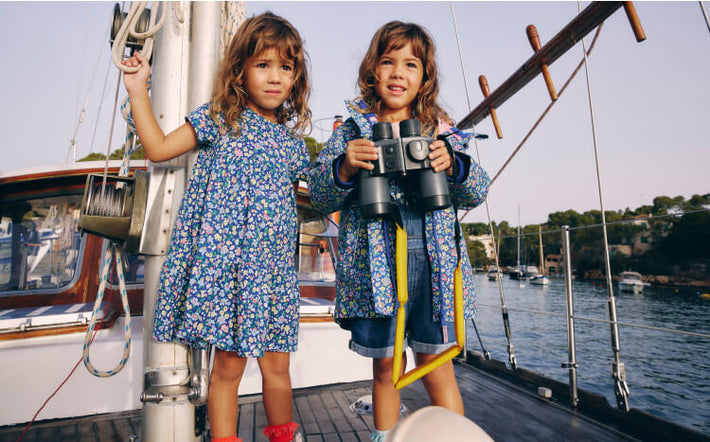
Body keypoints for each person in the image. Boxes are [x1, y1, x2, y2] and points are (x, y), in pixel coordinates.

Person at [122, 12, 311, 442]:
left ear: (296, 77)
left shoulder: (294, 147)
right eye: (263, 65)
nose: (275, 76)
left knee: (278, 368)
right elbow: (158, 148)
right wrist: (138, 89)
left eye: (286, 67)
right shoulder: (220, 119)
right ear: (240, 69)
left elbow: (327, 193)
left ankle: (284, 437)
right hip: (229, 273)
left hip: (273, 276)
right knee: (228, 368)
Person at [307, 21, 490, 442]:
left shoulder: (439, 132)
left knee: (437, 364)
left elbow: (477, 189)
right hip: (376, 267)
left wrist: (453, 165)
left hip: (433, 263)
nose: (398, 73)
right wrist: (346, 166)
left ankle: (454, 435)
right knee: (387, 367)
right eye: (388, 62)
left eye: (411, 64)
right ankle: (385, 437)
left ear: (425, 77)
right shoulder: (351, 131)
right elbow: (321, 196)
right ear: (372, 70)